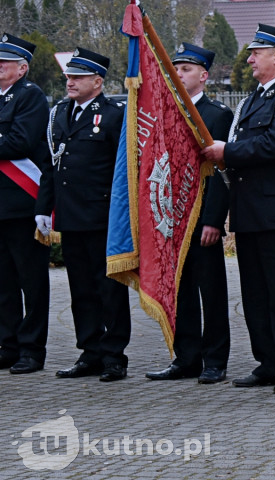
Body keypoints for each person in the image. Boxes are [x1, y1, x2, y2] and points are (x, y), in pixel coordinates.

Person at [201, 24, 275, 394]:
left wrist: (226, 152)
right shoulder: (251, 101)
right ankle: (268, 362)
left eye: (256, 53)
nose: (249, 60)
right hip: (251, 214)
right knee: (256, 296)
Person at [36, 48, 131, 382]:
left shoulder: (114, 114)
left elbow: (124, 169)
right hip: (71, 215)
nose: (70, 82)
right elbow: (52, 165)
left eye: (77, 77)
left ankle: (114, 356)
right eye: (68, 76)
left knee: (109, 289)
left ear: (98, 81)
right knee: (81, 290)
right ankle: (90, 351)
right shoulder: (60, 112)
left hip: (104, 216)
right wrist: (43, 210)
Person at [146, 43, 232, 385]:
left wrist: (213, 219)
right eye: (176, 69)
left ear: (204, 76)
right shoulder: (167, 115)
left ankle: (215, 360)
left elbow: (221, 174)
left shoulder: (216, 115)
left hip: (201, 218)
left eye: (186, 70)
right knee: (179, 292)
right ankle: (185, 357)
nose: (178, 75)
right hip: (172, 219)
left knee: (210, 293)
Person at [0, 33, 51, 375]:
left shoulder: (30, 96)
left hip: (23, 201)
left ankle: (32, 349)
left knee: (30, 280)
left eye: (2, 63)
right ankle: (8, 344)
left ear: (21, 68)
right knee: (3, 282)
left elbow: (19, 142)